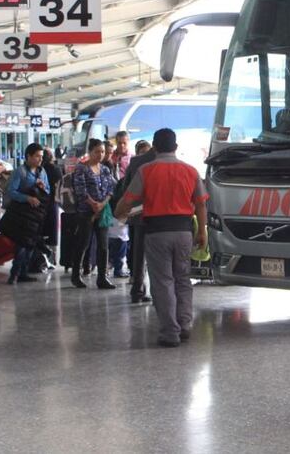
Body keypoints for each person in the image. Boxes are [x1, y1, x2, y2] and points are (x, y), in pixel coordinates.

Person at [115, 128, 207, 348]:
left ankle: (170, 332)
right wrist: (202, 231)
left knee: (163, 281)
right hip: (184, 231)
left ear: (155, 147)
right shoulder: (191, 171)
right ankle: (185, 325)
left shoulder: (146, 170)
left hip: (157, 233)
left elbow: (127, 201)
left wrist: (119, 213)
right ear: (176, 147)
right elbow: (201, 203)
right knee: (183, 279)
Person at [70, 139, 116, 289]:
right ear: (90, 152)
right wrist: (93, 204)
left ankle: (102, 277)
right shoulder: (81, 168)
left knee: (103, 245)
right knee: (83, 243)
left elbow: (111, 188)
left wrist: (102, 204)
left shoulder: (105, 169)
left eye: (102, 152)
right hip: (86, 212)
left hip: (102, 211)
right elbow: (80, 190)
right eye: (97, 151)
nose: (100, 155)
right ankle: (76, 275)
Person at [2, 143, 49, 285]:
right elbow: (11, 191)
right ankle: (14, 274)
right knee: (21, 244)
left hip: (35, 215)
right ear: (28, 156)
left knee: (30, 244)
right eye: (37, 156)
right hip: (21, 214)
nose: (40, 159)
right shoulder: (20, 172)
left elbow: (48, 191)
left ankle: (23, 272)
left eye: (41, 157)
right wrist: (27, 198)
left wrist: (42, 188)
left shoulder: (42, 172)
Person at [121, 141, 157, 304]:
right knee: (158, 254)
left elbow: (126, 187)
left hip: (139, 213)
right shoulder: (169, 162)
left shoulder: (136, 161)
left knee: (139, 252)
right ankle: (156, 289)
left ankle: (137, 288)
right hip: (162, 215)